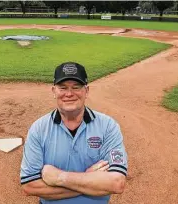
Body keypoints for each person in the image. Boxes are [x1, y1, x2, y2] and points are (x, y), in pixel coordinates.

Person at [20, 62, 128, 204]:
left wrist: (59, 177)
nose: (69, 94)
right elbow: (30, 186)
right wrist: (90, 179)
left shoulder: (108, 126)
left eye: (76, 87)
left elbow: (117, 183)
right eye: (62, 88)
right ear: (54, 91)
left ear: (86, 91)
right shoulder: (39, 129)